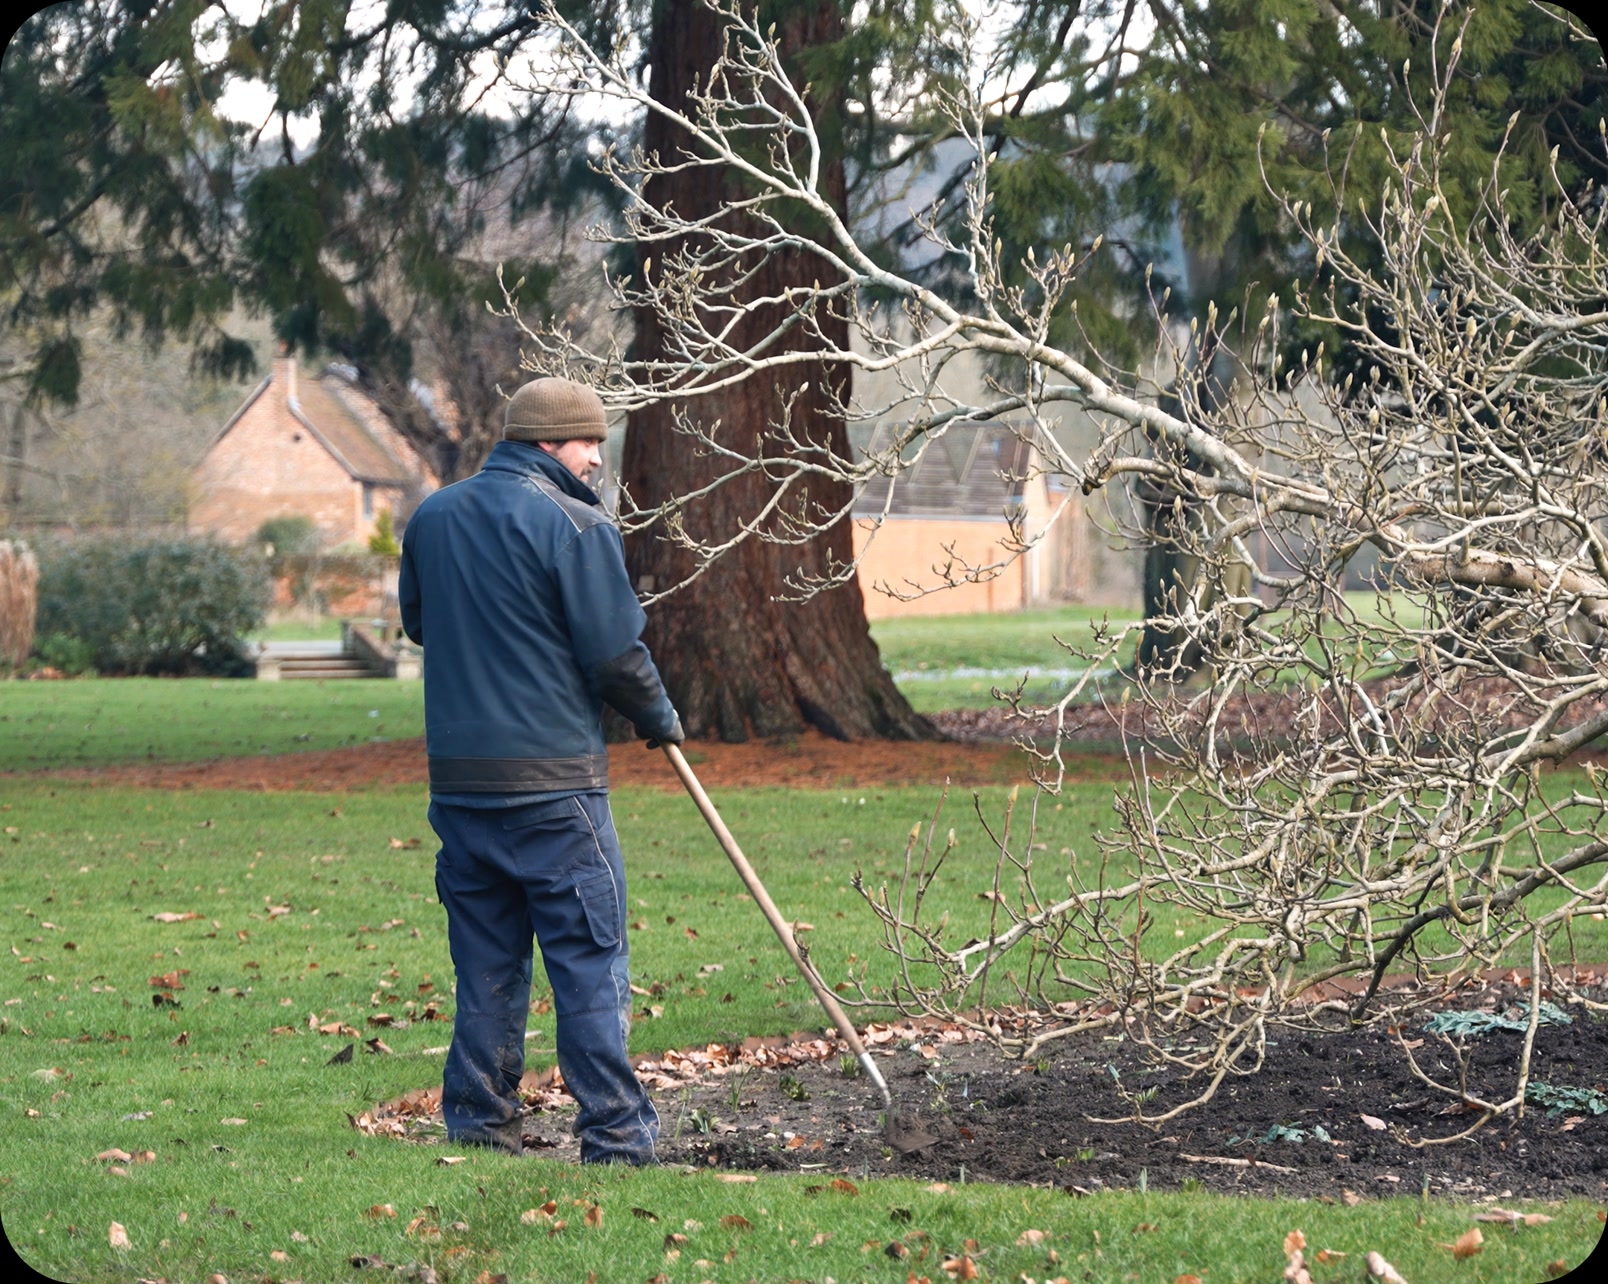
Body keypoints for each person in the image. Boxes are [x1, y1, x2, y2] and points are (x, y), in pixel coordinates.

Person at [398, 376, 684, 1163]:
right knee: (589, 961)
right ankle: (618, 1140)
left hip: (460, 791)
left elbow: (421, 624)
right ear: (549, 444)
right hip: (556, 792)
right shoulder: (578, 526)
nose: (597, 458)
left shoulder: (432, 518)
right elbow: (616, 655)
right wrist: (659, 718)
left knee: (487, 966)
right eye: (590, 442)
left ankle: (481, 1128)